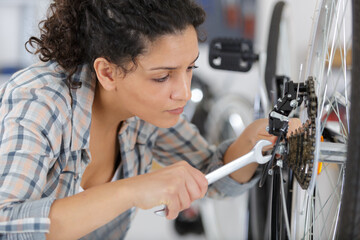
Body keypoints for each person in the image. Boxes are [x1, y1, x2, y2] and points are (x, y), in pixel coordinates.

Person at [0, 0, 299, 239]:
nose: (183, 92)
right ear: (107, 72)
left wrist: (253, 140)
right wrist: (132, 190)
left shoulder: (146, 114)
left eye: (190, 68)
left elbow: (210, 177)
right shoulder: (41, 101)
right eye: (162, 76)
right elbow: (6, 224)